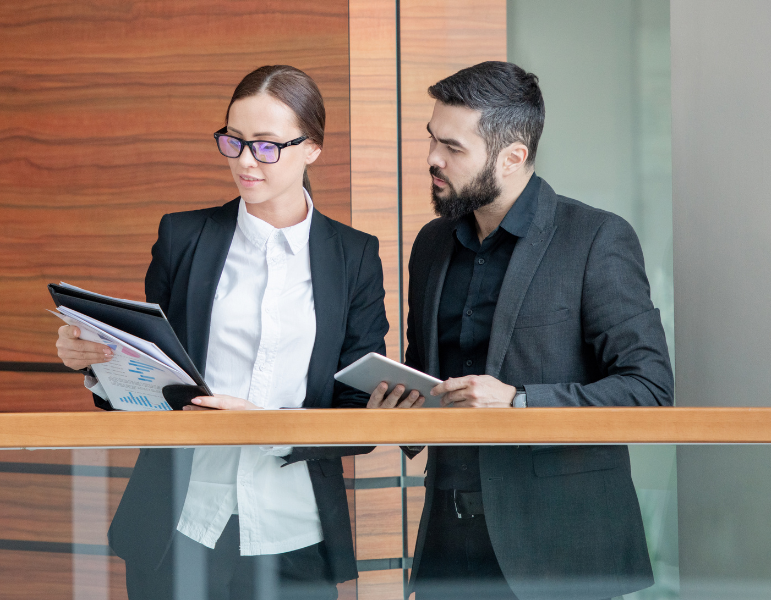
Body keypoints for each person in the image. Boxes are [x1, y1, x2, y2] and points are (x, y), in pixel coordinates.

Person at [55, 65, 388, 600]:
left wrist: (264, 425)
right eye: (233, 141)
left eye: (266, 145)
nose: (244, 161)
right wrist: (96, 363)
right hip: (179, 520)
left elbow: (360, 413)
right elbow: (147, 388)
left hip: (294, 527)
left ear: (313, 148)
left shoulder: (353, 257)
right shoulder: (183, 237)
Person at [368, 61, 674, 600]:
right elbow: (430, 382)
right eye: (432, 140)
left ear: (514, 157)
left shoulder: (596, 239)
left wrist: (519, 404)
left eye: (454, 148)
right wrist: (405, 411)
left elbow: (650, 390)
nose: (432, 160)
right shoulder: (432, 244)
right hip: (447, 543)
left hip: (561, 551)